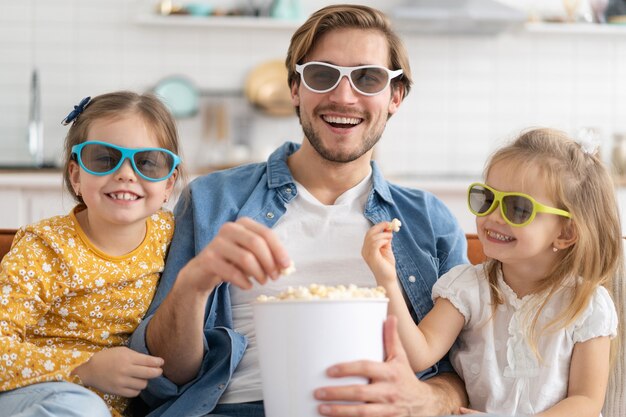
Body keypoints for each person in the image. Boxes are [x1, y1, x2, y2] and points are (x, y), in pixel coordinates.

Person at [129, 4, 471, 417]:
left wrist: (427, 399)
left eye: (368, 78)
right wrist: (194, 285)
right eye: (323, 75)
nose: (344, 97)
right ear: (295, 88)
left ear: (394, 96)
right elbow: (163, 378)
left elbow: (468, 372)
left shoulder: (430, 220)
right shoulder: (212, 200)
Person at [363, 128, 621, 416]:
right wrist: (386, 279)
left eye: (518, 208)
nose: (493, 217)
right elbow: (418, 354)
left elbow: (585, 401)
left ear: (566, 232)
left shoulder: (587, 305)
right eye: (487, 199)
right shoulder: (466, 288)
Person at [0, 91, 186, 417]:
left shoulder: (170, 236)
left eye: (147, 163)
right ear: (76, 175)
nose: (127, 173)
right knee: (81, 407)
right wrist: (85, 367)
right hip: (31, 391)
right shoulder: (45, 248)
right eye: (104, 158)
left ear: (168, 185)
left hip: (109, 407)